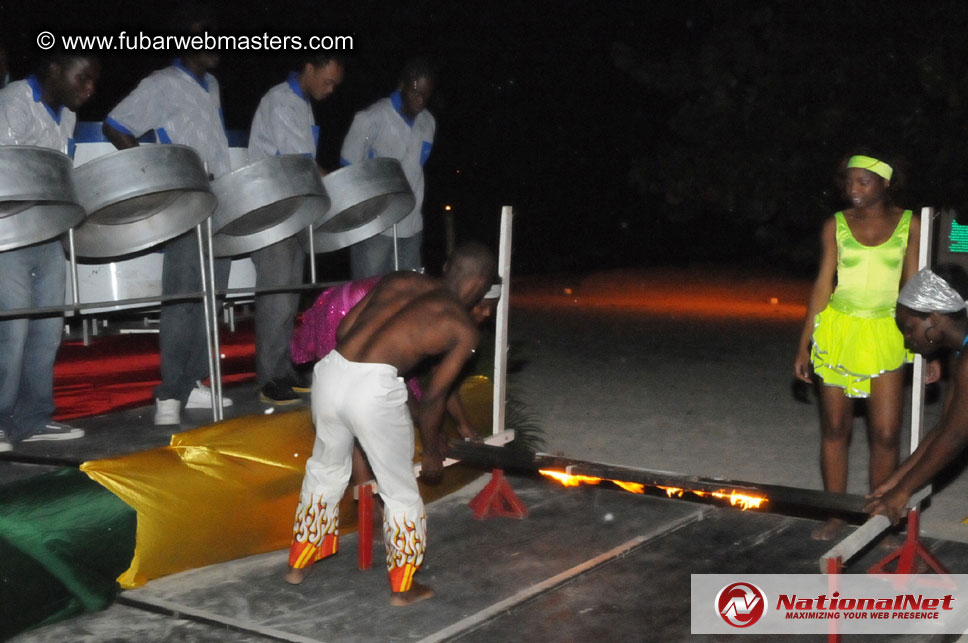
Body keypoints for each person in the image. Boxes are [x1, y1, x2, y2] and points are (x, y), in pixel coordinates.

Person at [285, 242, 496, 606]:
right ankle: (404, 587)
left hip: (331, 373)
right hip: (374, 392)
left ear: (446, 265)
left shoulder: (399, 280)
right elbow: (434, 399)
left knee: (324, 472)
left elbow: (345, 329)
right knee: (399, 491)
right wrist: (431, 450)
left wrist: (380, 373)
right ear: (482, 283)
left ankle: (298, 564)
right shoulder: (460, 325)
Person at [103, 8, 232, 425]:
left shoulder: (211, 85)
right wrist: (155, 174)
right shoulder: (161, 83)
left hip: (218, 196)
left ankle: (193, 381)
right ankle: (168, 396)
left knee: (210, 298)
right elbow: (116, 124)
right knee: (181, 299)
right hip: (184, 197)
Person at [793, 151, 920, 540]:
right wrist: (804, 344)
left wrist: (926, 350)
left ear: (885, 183)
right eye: (848, 182)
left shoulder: (909, 224)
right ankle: (835, 513)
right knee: (835, 427)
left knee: (885, 435)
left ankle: (877, 517)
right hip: (839, 331)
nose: (853, 189)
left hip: (886, 332)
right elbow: (821, 286)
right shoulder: (836, 225)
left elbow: (913, 288)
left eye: (863, 181)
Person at [0, 55, 99, 451]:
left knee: (46, 330)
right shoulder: (14, 102)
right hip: (9, 234)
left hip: (47, 230)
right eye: (83, 77)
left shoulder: (66, 115)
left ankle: (33, 418)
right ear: (55, 69)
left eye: (94, 81)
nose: (89, 88)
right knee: (12, 331)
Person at [248, 55, 344, 405]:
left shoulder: (302, 105)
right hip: (272, 210)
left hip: (292, 211)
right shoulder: (281, 101)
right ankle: (268, 378)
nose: (330, 90)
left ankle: (283, 369)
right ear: (309, 69)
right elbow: (301, 161)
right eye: (328, 81)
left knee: (289, 298)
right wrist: (338, 181)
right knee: (275, 296)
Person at [867, 266, 968, 524]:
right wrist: (897, 480)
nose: (906, 339)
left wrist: (903, 492)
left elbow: (956, 437)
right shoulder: (960, 354)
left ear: (934, 318)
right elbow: (946, 426)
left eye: (908, 327)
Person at [341, 57, 435, 278]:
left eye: (426, 94)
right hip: (375, 226)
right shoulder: (371, 118)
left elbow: (415, 168)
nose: (420, 100)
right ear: (402, 85)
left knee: (406, 293)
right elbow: (349, 167)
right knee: (369, 292)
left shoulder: (428, 123)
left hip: (412, 225)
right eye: (415, 93)